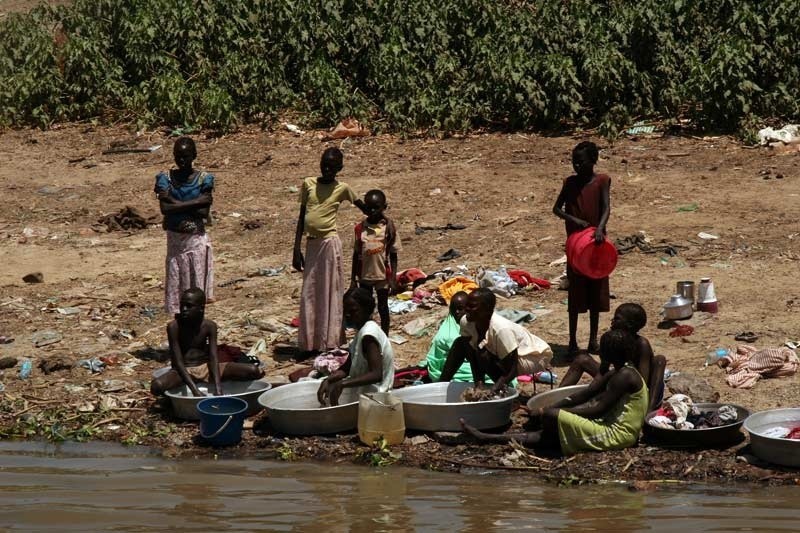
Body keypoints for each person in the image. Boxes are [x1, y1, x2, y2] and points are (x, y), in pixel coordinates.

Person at [461, 329, 648, 456]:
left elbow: (598, 409)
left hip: (618, 435)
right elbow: (586, 394)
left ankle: (486, 438)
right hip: (607, 425)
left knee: (551, 419)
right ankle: (486, 438)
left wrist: (552, 412)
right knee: (546, 433)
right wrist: (551, 406)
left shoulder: (625, 376)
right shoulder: (619, 371)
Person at [292, 147, 370, 358]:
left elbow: (363, 206)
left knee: (330, 292)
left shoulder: (342, 188)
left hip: (329, 244)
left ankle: (329, 341)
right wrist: (296, 248)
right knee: (310, 293)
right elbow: (302, 217)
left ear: (339, 168)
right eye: (324, 164)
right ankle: (309, 343)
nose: (327, 169)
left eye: (332, 166)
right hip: (312, 245)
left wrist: (378, 221)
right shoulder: (309, 184)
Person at [552, 141, 611, 357]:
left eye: (581, 161)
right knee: (575, 296)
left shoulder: (602, 181)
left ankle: (593, 340)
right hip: (576, 246)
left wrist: (600, 228)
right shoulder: (570, 183)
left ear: (593, 161)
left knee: (596, 293)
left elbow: (606, 207)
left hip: (596, 245)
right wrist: (573, 219)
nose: (577, 165)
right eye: (574, 162)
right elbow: (556, 209)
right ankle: (572, 341)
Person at [150, 288, 264, 397]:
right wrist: (195, 390)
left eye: (189, 306)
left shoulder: (209, 326)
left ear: (201, 308)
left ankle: (218, 384)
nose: (184, 309)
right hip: (183, 371)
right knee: (156, 386)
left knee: (253, 370)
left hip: (205, 368)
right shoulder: (174, 327)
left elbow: (213, 357)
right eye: (182, 305)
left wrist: (218, 388)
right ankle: (188, 385)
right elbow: (178, 361)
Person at [438, 288, 551, 393]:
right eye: (467, 305)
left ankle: (505, 394)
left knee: (484, 355)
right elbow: (471, 355)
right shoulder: (466, 321)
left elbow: (511, 369)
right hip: (501, 353)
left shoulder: (501, 329)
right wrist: (478, 383)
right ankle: (441, 385)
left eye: (472, 306)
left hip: (531, 356)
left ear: (487, 309)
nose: (467, 309)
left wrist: (493, 390)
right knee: (461, 344)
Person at [560, 303, 667, 411]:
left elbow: (642, 380)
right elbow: (603, 369)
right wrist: (592, 391)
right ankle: (557, 397)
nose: (612, 321)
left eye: (617, 319)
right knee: (582, 359)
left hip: (634, 388)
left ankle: (649, 410)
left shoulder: (641, 344)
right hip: (617, 378)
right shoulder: (613, 338)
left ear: (630, 324)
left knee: (660, 360)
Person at [154, 137, 215, 315]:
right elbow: (165, 209)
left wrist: (176, 205)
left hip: (195, 243)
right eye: (178, 156)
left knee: (195, 295)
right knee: (177, 292)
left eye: (186, 156)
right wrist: (196, 202)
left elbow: (203, 212)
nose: (182, 160)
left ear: (194, 156)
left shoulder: (204, 178)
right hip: (175, 244)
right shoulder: (165, 178)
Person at [317, 288, 395, 406]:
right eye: (346, 311)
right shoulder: (361, 333)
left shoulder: (368, 335)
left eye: (353, 311)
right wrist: (329, 379)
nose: (348, 315)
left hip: (378, 398)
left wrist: (343, 384)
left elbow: (376, 374)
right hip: (366, 394)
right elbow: (346, 368)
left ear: (367, 310)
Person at [350, 189, 399, 334]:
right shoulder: (360, 229)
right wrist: (353, 279)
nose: (372, 211)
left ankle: (384, 336)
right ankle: (366, 334)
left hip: (382, 276)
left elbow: (393, 255)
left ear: (384, 207)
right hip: (365, 276)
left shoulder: (388, 229)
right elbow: (355, 254)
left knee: (383, 307)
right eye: (369, 207)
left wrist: (393, 278)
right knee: (365, 308)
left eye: (376, 207)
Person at [424, 291, 472, 382]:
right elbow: (436, 360)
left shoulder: (475, 325)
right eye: (453, 309)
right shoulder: (446, 334)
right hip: (456, 371)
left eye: (460, 308)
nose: (457, 312)